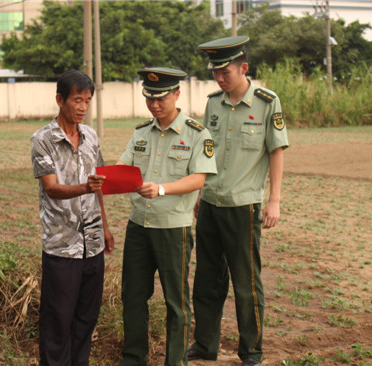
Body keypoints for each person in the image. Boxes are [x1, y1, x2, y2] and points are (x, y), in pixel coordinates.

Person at [188, 36, 289, 366]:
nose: (220, 78)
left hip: (243, 207)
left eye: (226, 72)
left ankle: (252, 352)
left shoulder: (266, 102)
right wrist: (199, 195)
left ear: (244, 68)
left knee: (246, 284)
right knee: (206, 280)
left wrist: (274, 201)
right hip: (211, 204)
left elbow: (276, 151)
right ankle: (205, 344)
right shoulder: (213, 103)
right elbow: (206, 154)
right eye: (215, 73)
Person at [117, 67, 217, 366]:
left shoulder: (197, 134)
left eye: (160, 98)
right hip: (138, 227)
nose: (154, 104)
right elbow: (124, 167)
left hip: (173, 229)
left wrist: (161, 189)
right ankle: (134, 358)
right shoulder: (140, 132)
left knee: (176, 301)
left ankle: (175, 362)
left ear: (177, 94)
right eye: (149, 98)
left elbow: (199, 179)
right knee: (133, 297)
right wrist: (105, 178)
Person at [30, 70, 115, 366]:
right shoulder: (43, 140)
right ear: (60, 99)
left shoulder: (90, 135)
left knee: (85, 318)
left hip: (92, 245)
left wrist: (105, 226)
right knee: (57, 320)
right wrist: (85, 187)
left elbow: (99, 185)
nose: (82, 107)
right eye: (77, 100)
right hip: (61, 246)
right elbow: (51, 188)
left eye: (87, 101)